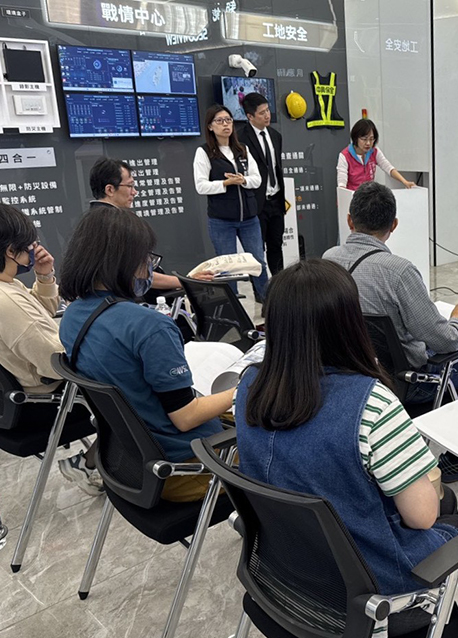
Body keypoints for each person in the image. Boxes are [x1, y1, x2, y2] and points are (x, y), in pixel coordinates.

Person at [235, 259, 458, 638]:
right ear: (349, 323)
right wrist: (425, 471)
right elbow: (422, 517)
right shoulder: (370, 402)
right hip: (372, 604)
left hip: (286, 575)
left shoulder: (249, 386)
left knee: (449, 509)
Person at [58, 208, 235, 502]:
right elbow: (186, 417)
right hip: (187, 468)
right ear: (125, 261)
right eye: (146, 259)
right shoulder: (149, 326)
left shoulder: (72, 316)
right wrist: (243, 389)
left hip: (131, 462)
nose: (149, 268)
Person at [323, 181, 458, 404]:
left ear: (350, 220)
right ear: (394, 225)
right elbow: (445, 342)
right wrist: (457, 320)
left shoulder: (328, 260)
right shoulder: (399, 272)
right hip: (406, 383)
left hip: (353, 375)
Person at [0, 204, 100, 495]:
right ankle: (90, 465)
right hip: (43, 404)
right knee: (136, 391)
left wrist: (45, 277)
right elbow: (59, 362)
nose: (33, 249)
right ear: (11, 251)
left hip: (5, 405)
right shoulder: (4, 300)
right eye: (28, 245)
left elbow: (37, 316)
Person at [89, 158, 214, 291]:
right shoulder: (118, 224)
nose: (134, 192)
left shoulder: (90, 221)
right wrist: (187, 282)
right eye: (130, 186)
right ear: (110, 190)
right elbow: (140, 276)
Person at [194, 104, 269, 302]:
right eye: (219, 121)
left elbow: (257, 179)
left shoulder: (242, 149)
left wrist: (242, 180)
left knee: (258, 261)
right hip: (222, 220)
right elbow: (201, 186)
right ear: (210, 126)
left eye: (228, 120)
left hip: (249, 218)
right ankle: (232, 304)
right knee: (226, 266)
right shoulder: (204, 152)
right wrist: (225, 183)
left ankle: (266, 300)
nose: (225, 124)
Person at [238, 93, 293, 276]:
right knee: (256, 249)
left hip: (276, 199)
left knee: (276, 245)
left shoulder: (275, 136)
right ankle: (260, 288)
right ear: (250, 116)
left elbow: (276, 167)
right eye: (262, 113)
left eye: (268, 110)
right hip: (256, 203)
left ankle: (280, 283)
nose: (267, 115)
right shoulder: (240, 139)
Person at [337, 118, 417, 191]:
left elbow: (388, 168)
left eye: (371, 139)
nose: (368, 143)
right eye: (364, 139)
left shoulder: (374, 151)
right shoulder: (345, 156)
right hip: (352, 197)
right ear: (355, 138)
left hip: (369, 196)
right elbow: (342, 186)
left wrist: (405, 182)